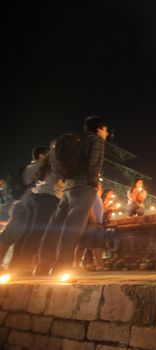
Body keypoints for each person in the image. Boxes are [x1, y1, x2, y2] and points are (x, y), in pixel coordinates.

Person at [34, 115, 109, 276]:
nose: (106, 133)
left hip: (68, 187)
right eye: (105, 130)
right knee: (72, 227)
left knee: (55, 225)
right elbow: (95, 164)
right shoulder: (96, 140)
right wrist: (94, 182)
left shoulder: (78, 141)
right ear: (99, 129)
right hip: (84, 187)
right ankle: (62, 266)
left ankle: (42, 265)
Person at [0, 146, 49, 268]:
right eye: (49, 155)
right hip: (24, 207)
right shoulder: (36, 168)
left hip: (23, 206)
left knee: (16, 238)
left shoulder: (29, 168)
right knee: (8, 238)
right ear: (41, 156)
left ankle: (15, 266)